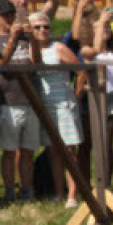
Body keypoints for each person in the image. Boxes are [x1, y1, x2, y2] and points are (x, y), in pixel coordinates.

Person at [0, 0, 39, 203]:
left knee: (28, 151)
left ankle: (27, 189)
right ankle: (9, 191)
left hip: (30, 100)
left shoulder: (26, 38)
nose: (9, 18)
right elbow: (0, 63)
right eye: (5, 15)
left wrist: (32, 38)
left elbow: (37, 62)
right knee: (9, 151)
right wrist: (12, 38)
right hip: (7, 102)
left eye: (11, 14)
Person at [29, 12, 82, 208]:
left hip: (63, 104)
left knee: (69, 151)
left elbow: (81, 71)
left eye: (46, 26)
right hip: (43, 105)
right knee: (52, 152)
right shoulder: (28, 50)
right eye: (37, 27)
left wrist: (77, 95)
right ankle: (59, 192)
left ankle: (73, 195)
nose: (43, 30)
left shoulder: (58, 47)